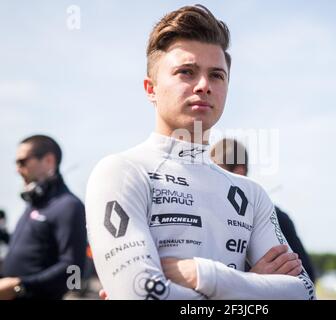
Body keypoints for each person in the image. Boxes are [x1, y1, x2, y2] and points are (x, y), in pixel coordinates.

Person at [86, 5, 315, 300]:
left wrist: (205, 275)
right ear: (150, 89)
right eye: (186, 72)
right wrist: (254, 285)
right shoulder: (121, 172)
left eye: (216, 75)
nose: (204, 85)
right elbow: (142, 296)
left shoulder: (252, 194)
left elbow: (304, 295)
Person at [210, 138, 316, 282]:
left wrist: (254, 283)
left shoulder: (276, 217)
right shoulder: (209, 214)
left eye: (217, 171)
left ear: (239, 172)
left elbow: (305, 279)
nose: (210, 179)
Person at [0, 135, 87, 300]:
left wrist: (20, 286)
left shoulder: (68, 205)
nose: (18, 169)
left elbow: (74, 272)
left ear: (48, 160)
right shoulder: (35, 204)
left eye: (22, 162)